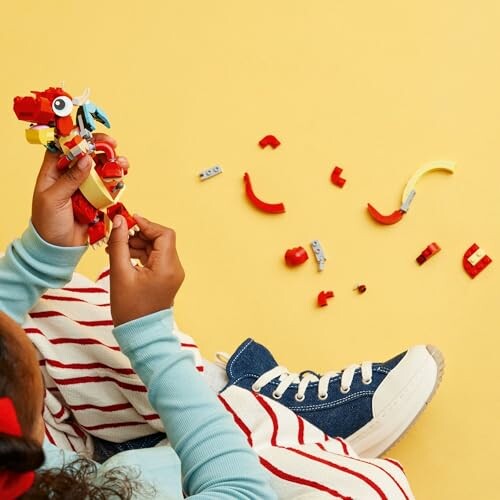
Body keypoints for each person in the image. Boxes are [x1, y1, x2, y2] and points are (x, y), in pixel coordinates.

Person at [0, 137, 439, 498]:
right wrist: (149, 336)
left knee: (36, 312)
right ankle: (257, 417)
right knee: (374, 491)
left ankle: (227, 406)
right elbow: (237, 489)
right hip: (149, 480)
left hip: (74, 457)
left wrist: (40, 257)